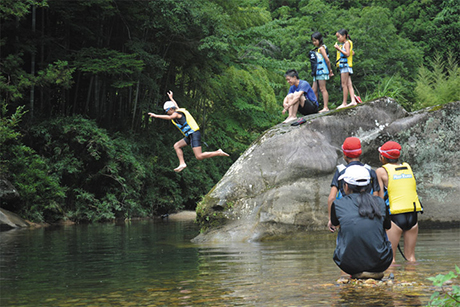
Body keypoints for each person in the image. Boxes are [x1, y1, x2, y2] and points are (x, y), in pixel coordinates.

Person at [331, 165, 393, 278]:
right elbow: (387, 226)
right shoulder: (380, 202)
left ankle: (353, 268)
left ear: (346, 186)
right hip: (381, 263)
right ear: (369, 186)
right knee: (381, 226)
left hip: (348, 265)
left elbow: (335, 223)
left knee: (340, 228)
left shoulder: (338, 204)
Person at [148, 91, 229, 172]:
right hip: (190, 135)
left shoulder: (176, 114)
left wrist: (156, 115)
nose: (167, 113)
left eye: (167, 111)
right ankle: (182, 163)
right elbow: (175, 105)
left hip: (194, 134)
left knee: (199, 156)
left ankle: (218, 152)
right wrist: (171, 98)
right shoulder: (177, 110)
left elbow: (170, 117)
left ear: (171, 109)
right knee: (176, 146)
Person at [376, 141, 423, 263]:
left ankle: (393, 282)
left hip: (394, 217)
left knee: (390, 259)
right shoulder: (407, 167)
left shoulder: (381, 171)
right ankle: (412, 280)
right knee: (411, 258)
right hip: (412, 215)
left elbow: (379, 198)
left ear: (382, 157)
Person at [327, 137, 380, 232]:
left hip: (346, 217)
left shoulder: (340, 171)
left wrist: (331, 219)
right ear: (360, 152)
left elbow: (331, 198)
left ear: (344, 155)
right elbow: (376, 197)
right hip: (368, 217)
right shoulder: (370, 171)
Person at [310, 32, 334, 113]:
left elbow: (327, 60)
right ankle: (315, 107)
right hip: (316, 72)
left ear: (319, 40)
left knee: (323, 89)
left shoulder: (321, 48)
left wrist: (330, 70)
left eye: (315, 41)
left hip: (322, 71)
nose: (314, 43)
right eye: (313, 41)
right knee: (314, 89)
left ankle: (326, 107)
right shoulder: (317, 49)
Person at [334, 29, 357, 109]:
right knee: (349, 84)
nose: (338, 39)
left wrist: (338, 49)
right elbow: (351, 53)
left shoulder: (346, 43)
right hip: (346, 66)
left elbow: (347, 54)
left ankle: (344, 103)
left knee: (344, 85)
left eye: (339, 37)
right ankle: (353, 101)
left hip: (345, 67)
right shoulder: (347, 43)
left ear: (344, 36)